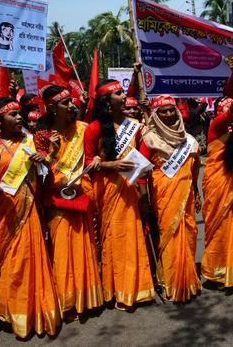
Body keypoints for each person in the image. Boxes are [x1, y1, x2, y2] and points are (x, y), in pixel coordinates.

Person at [0, 97, 60, 337]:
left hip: (30, 209)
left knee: (32, 258)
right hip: (3, 212)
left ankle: (38, 310)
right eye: (13, 115)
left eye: (19, 114)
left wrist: (45, 159)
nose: (19, 118)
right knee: (13, 264)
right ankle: (16, 312)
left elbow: (45, 177)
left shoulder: (30, 140)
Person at [84, 80, 156, 310]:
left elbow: (143, 159)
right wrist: (110, 164)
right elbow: (86, 162)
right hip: (107, 189)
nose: (124, 97)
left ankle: (135, 288)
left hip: (130, 189)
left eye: (123, 93)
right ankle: (114, 289)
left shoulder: (135, 126)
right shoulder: (94, 128)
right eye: (118, 93)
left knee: (131, 236)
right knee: (113, 239)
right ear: (107, 101)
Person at [34, 85, 103, 318]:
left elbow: (96, 152)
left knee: (84, 243)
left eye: (72, 102)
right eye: (66, 103)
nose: (72, 106)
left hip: (82, 191)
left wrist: (96, 160)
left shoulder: (83, 128)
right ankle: (67, 300)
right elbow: (41, 169)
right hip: (56, 196)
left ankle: (88, 297)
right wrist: (53, 150)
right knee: (62, 247)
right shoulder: (41, 134)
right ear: (52, 108)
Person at [140, 95, 203, 302]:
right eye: (162, 111)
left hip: (187, 195)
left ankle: (188, 279)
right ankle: (170, 282)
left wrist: (197, 191)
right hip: (163, 196)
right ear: (156, 115)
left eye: (171, 110)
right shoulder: (149, 138)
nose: (168, 115)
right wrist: (145, 199)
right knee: (169, 235)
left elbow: (193, 171)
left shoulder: (190, 141)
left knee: (188, 233)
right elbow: (140, 172)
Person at [201, 90, 233, 289]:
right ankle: (217, 272)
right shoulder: (216, 126)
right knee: (219, 228)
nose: (231, 111)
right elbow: (229, 116)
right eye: (226, 108)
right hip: (217, 185)